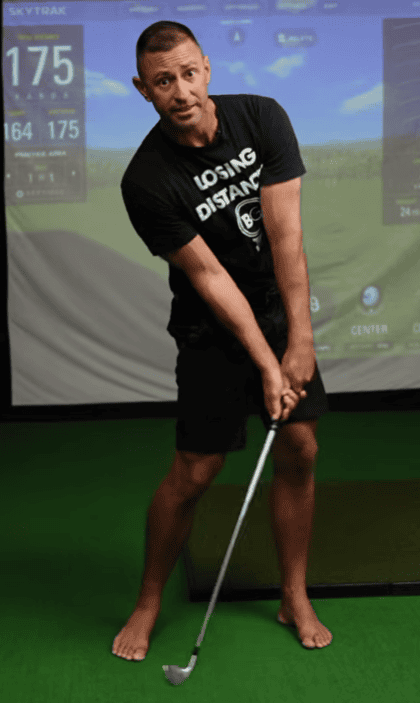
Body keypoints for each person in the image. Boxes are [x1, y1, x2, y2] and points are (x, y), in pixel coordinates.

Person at [113, 21, 332, 661]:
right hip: (210, 326)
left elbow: (286, 237)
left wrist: (299, 340)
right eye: (163, 81)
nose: (180, 91)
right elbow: (209, 277)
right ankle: (148, 601)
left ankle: (294, 594)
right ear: (143, 89)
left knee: (301, 446)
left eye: (188, 73)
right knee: (196, 471)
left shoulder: (261, 118)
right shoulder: (146, 179)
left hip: (276, 306)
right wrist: (266, 364)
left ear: (207, 67)